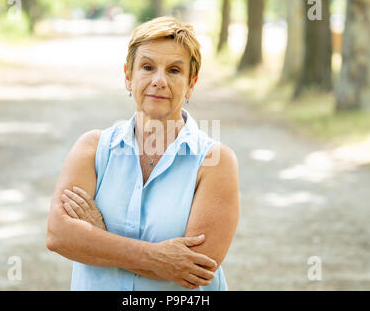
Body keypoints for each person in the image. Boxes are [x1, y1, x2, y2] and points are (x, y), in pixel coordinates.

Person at [46, 16, 240, 291]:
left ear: (191, 83)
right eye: (147, 67)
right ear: (128, 76)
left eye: (174, 70)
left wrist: (98, 239)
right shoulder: (92, 149)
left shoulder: (215, 162)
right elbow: (59, 235)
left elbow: (196, 267)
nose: (159, 80)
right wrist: (157, 258)